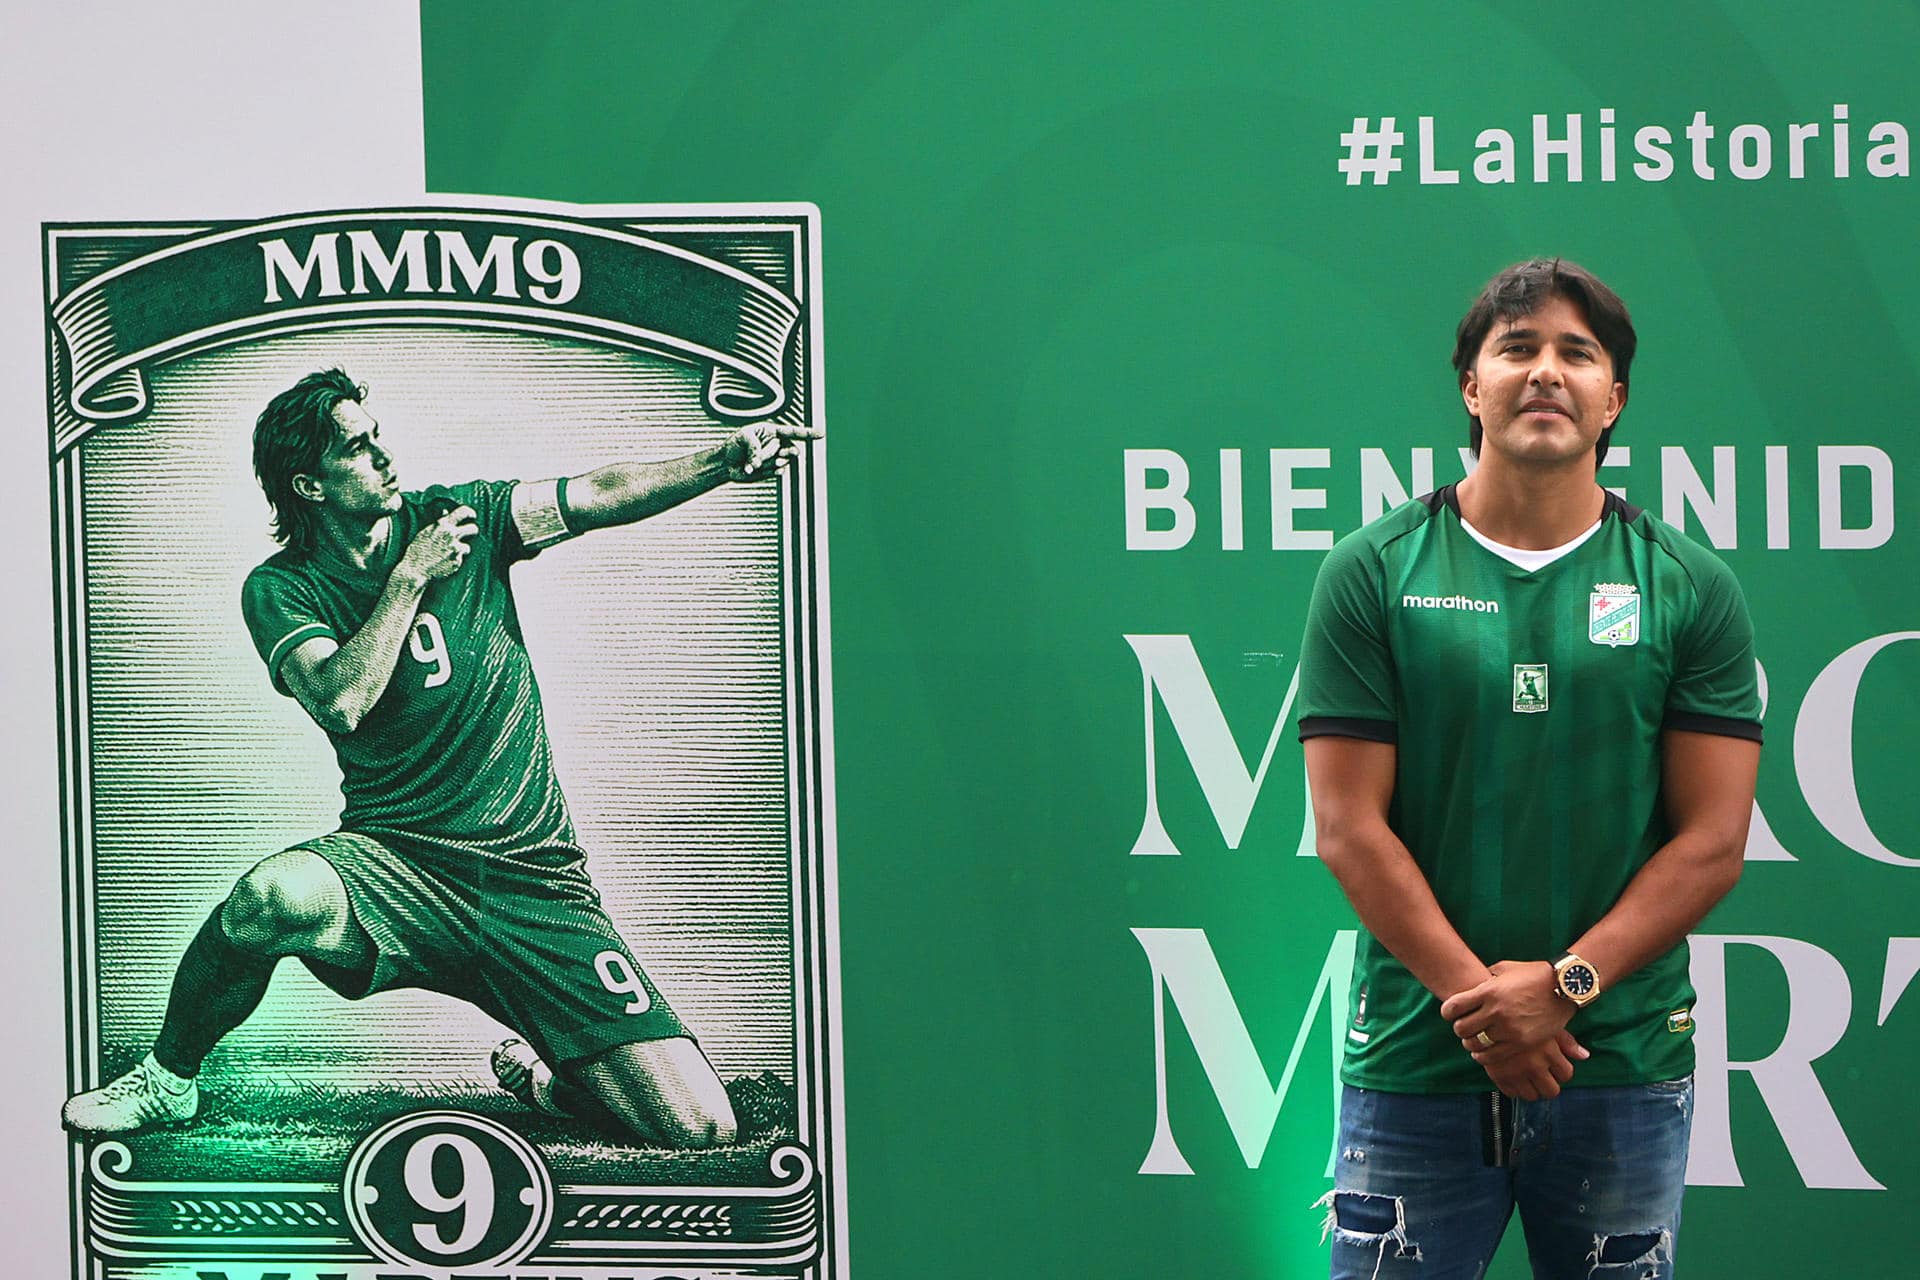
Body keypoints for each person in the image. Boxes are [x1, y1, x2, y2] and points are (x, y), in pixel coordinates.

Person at [62, 368, 819, 1146]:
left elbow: (595, 493)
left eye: (375, 436)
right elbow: (339, 700)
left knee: (699, 1128)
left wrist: (720, 462)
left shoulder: (466, 518)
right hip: (397, 869)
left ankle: (548, 1082)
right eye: (356, 449)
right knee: (269, 899)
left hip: (532, 884)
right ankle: (166, 1083)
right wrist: (409, 580)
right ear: (309, 486)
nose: (384, 457)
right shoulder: (282, 587)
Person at [1297, 260, 1762, 1278]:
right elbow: (1348, 826)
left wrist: (1566, 984)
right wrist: (1488, 1008)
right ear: (1472, 386)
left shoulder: (1691, 586)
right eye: (1517, 348)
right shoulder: (1373, 569)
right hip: (1417, 1063)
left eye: (1576, 353)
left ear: (1614, 399)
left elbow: (1713, 840)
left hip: (1622, 1064)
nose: (1545, 371)